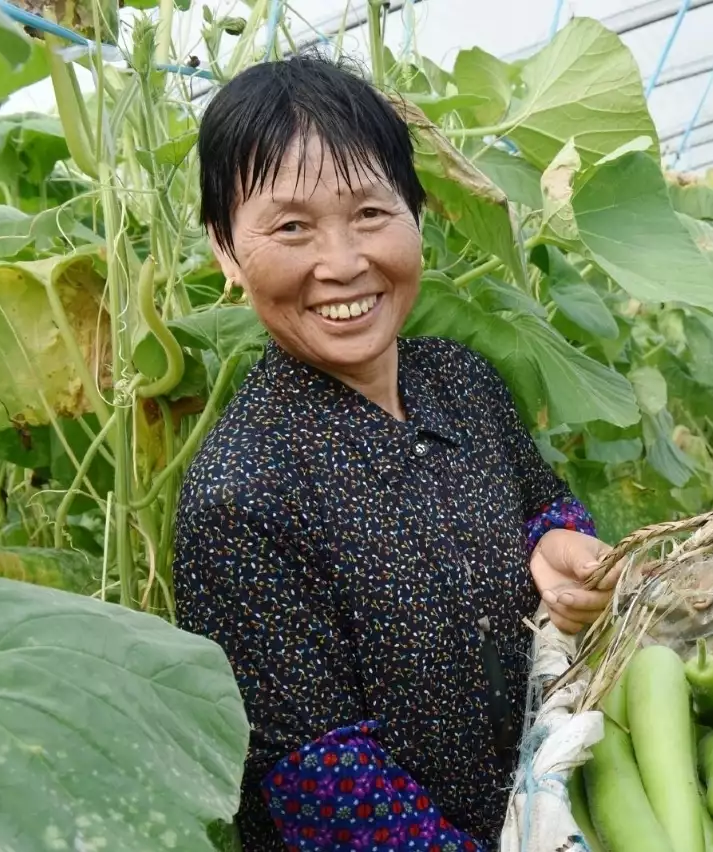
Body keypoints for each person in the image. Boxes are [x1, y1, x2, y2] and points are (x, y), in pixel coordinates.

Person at [172, 55, 613, 852]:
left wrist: (554, 540)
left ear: (415, 214)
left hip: (549, 809)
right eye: (291, 226)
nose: (341, 263)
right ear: (227, 252)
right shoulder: (240, 498)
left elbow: (538, 501)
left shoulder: (462, 381)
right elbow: (323, 786)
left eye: (371, 213)